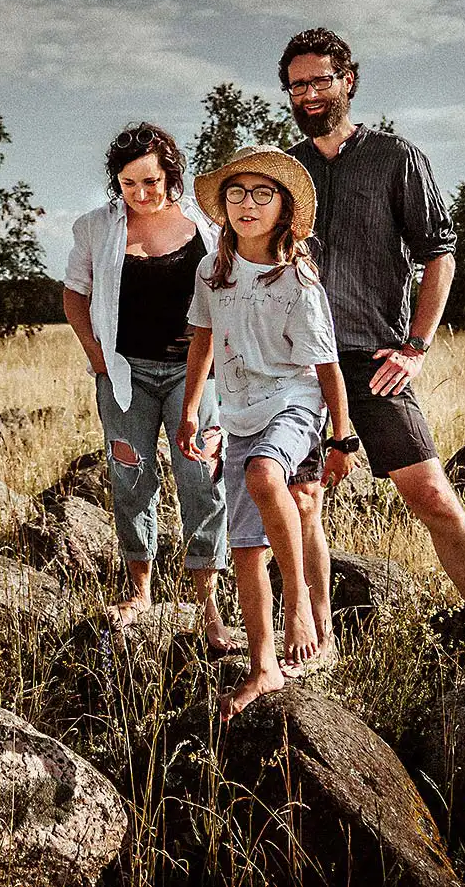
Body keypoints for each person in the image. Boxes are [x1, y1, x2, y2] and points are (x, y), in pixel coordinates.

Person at [277, 27, 465, 715]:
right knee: (306, 501)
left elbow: (440, 252)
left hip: (376, 358)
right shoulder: (281, 170)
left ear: (349, 81)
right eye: (297, 84)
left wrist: (416, 344)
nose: (310, 94)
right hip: (299, 361)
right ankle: (318, 636)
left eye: (321, 80)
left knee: (432, 496)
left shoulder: (395, 158)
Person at [177, 145, 357, 720]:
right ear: (222, 208)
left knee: (269, 479)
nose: (246, 205)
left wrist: (341, 437)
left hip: (295, 402)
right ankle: (263, 667)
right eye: (236, 195)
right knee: (246, 547)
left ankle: (302, 604)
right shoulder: (213, 270)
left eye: (261, 195)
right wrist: (190, 409)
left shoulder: (297, 281)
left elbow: (326, 365)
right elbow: (202, 336)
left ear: (283, 209)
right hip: (237, 411)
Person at [63, 122, 233, 649]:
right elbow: (75, 297)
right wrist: (98, 360)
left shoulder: (207, 224)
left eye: (151, 182)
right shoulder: (96, 227)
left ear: (171, 175)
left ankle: (209, 602)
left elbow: (230, 289)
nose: (141, 194)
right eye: (129, 183)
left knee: (201, 478)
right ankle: (141, 590)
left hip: (193, 374)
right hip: (124, 375)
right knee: (132, 478)